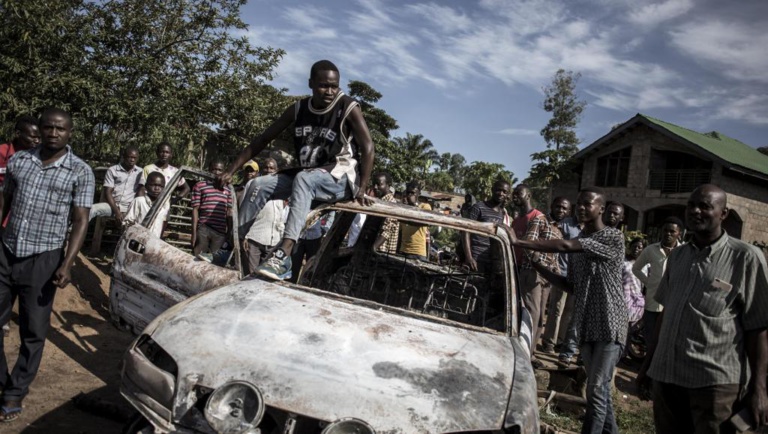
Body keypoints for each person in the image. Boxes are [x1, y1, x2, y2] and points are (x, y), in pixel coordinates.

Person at [218, 60, 374, 280]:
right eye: (323, 86)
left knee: (303, 178)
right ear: (310, 83)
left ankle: (285, 254)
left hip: (340, 177)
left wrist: (363, 187)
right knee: (258, 183)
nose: (330, 91)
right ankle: (229, 245)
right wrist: (232, 169)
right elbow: (263, 139)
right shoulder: (299, 109)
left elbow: (368, 146)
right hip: (309, 175)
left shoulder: (347, 107)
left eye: (334, 86)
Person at [638, 185, 768, 434]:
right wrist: (648, 366)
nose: (695, 211)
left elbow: (758, 327)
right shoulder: (677, 257)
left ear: (724, 214)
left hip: (714, 385)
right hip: (668, 377)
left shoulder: (745, 258)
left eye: (705, 206)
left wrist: (759, 389)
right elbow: (666, 314)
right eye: (691, 205)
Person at [0, 108, 95, 422]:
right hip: (7, 250)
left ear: (70, 133)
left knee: (33, 330)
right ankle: (3, 382)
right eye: (49, 128)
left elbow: (81, 220)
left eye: (61, 129)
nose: (54, 133)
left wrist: (67, 263)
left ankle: (14, 393)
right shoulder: (19, 161)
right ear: (39, 129)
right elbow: (6, 201)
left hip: (44, 258)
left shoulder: (80, 171)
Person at [507, 187, 627, 434]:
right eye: (579, 204)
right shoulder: (580, 246)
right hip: (586, 324)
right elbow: (570, 285)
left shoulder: (612, 237)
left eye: (588, 204)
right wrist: (538, 265)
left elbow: (563, 245)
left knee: (596, 390)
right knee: (599, 389)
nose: (581, 208)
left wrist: (519, 241)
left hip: (609, 323)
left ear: (601, 209)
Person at [631, 216, 683, 351]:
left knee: (667, 341)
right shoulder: (650, 250)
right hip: (653, 303)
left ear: (679, 233)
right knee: (651, 339)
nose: (668, 234)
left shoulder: (684, 252)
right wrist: (649, 283)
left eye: (672, 231)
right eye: (665, 230)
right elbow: (636, 268)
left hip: (673, 305)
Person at [541, 197, 581, 355]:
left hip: (577, 276)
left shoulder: (586, 229)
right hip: (561, 272)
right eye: (580, 207)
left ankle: (560, 341)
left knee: (569, 311)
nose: (582, 210)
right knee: (556, 309)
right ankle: (548, 342)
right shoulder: (565, 224)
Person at [242, 160, 288, 274]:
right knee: (250, 275)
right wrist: (245, 235)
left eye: (271, 168)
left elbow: (284, 213)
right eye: (266, 168)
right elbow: (245, 210)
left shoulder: (281, 187)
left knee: (266, 275)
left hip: (274, 240)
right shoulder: (254, 184)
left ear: (276, 170)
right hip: (254, 237)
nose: (268, 170)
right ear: (262, 170)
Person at [462, 180, 510, 273]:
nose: (501, 193)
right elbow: (465, 231)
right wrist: (469, 257)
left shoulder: (502, 213)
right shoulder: (479, 207)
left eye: (504, 192)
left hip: (491, 261)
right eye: (498, 190)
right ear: (492, 190)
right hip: (475, 259)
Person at [89, 146, 141, 224]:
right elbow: (108, 192)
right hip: (113, 206)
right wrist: (117, 212)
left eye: (134, 158)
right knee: (92, 209)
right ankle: (74, 232)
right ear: (124, 157)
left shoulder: (140, 172)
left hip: (130, 209)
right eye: (130, 157)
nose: (132, 160)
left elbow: (141, 192)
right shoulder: (113, 170)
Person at [190, 160, 232, 257]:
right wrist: (194, 233)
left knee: (216, 260)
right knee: (198, 257)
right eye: (214, 169)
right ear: (209, 170)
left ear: (224, 172)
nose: (216, 172)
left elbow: (229, 211)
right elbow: (195, 210)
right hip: (204, 228)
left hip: (220, 231)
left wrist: (229, 233)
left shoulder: (228, 189)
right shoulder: (200, 185)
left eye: (219, 170)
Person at [123, 172, 168, 237]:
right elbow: (127, 223)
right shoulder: (139, 201)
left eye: (160, 186)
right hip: (137, 240)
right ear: (146, 186)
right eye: (153, 185)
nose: (157, 188)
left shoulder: (164, 207)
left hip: (153, 243)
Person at [399, 181, 432, 261]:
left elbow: (422, 222)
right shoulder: (404, 208)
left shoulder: (425, 206)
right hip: (403, 250)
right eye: (408, 193)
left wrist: (413, 205)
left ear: (418, 194)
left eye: (412, 193)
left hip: (418, 252)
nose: (409, 195)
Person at [371, 172, 399, 254]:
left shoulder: (391, 203)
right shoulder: (379, 201)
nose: (375, 187)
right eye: (374, 184)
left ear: (388, 185)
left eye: (379, 184)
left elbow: (388, 230)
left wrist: (374, 247)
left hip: (382, 250)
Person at [623, 238, 645, 327]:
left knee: (631, 330)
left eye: (639, 247)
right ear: (630, 247)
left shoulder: (646, 265)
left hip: (637, 302)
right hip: (622, 299)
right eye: (634, 246)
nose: (636, 249)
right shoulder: (622, 261)